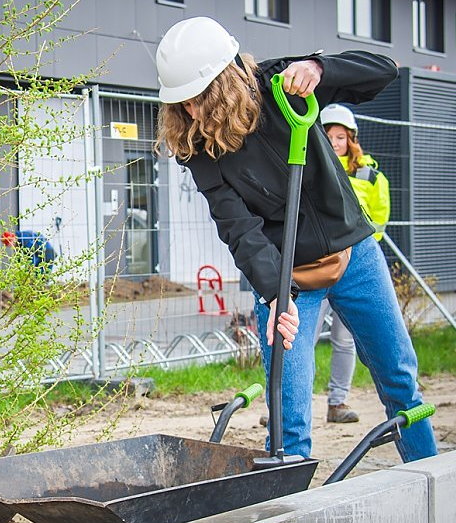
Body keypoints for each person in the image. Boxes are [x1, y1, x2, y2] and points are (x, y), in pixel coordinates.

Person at [155, 17, 436, 462]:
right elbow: (237, 227)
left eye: (200, 98)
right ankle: (293, 503)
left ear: (227, 80)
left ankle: (431, 477)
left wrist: (322, 68)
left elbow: (384, 69)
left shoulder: (282, 88)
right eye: (183, 103)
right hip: (289, 275)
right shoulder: (198, 147)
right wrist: (276, 295)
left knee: (399, 378)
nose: (192, 111)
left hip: (354, 253)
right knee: (288, 411)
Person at [316, 103, 392, 423]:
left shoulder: (370, 177)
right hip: (317, 265)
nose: (334, 143)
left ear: (352, 140)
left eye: (341, 137)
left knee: (344, 339)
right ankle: (287, 408)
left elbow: (379, 221)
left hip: (353, 268)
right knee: (301, 339)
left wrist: (357, 258)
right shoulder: (311, 169)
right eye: (328, 136)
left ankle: (338, 403)